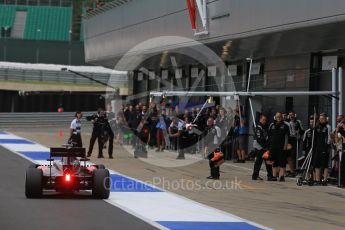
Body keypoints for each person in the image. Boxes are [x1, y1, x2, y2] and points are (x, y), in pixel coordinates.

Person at [268, 112, 290, 181]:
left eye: (280, 116)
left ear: (282, 117)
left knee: (282, 163)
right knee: (274, 162)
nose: (278, 118)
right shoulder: (272, 125)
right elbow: (269, 136)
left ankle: (281, 176)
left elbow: (287, 137)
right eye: (277, 116)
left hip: (282, 147)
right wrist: (269, 146)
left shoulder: (285, 126)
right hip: (273, 147)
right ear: (275, 117)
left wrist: (285, 147)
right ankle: (274, 176)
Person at [252, 115, 273, 180]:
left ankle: (270, 176)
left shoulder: (264, 127)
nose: (264, 121)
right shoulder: (258, 127)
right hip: (259, 147)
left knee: (268, 161)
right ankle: (255, 176)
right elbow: (259, 139)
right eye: (263, 120)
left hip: (264, 147)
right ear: (260, 119)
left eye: (265, 120)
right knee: (258, 162)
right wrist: (265, 146)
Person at [313, 113, 331, 185]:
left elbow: (329, 138)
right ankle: (317, 180)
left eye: (322, 119)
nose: (321, 120)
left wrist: (327, 146)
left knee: (324, 164)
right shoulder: (317, 126)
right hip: (317, 147)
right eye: (320, 119)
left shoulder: (328, 127)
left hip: (324, 147)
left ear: (326, 119)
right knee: (317, 164)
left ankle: (325, 180)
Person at [286, 111, 304, 177]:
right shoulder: (287, 122)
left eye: (292, 115)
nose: (291, 116)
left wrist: (299, 131)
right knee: (288, 155)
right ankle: (291, 170)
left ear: (295, 115)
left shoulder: (298, 122)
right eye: (290, 115)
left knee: (293, 155)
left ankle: (294, 170)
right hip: (289, 140)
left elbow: (302, 130)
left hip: (295, 140)